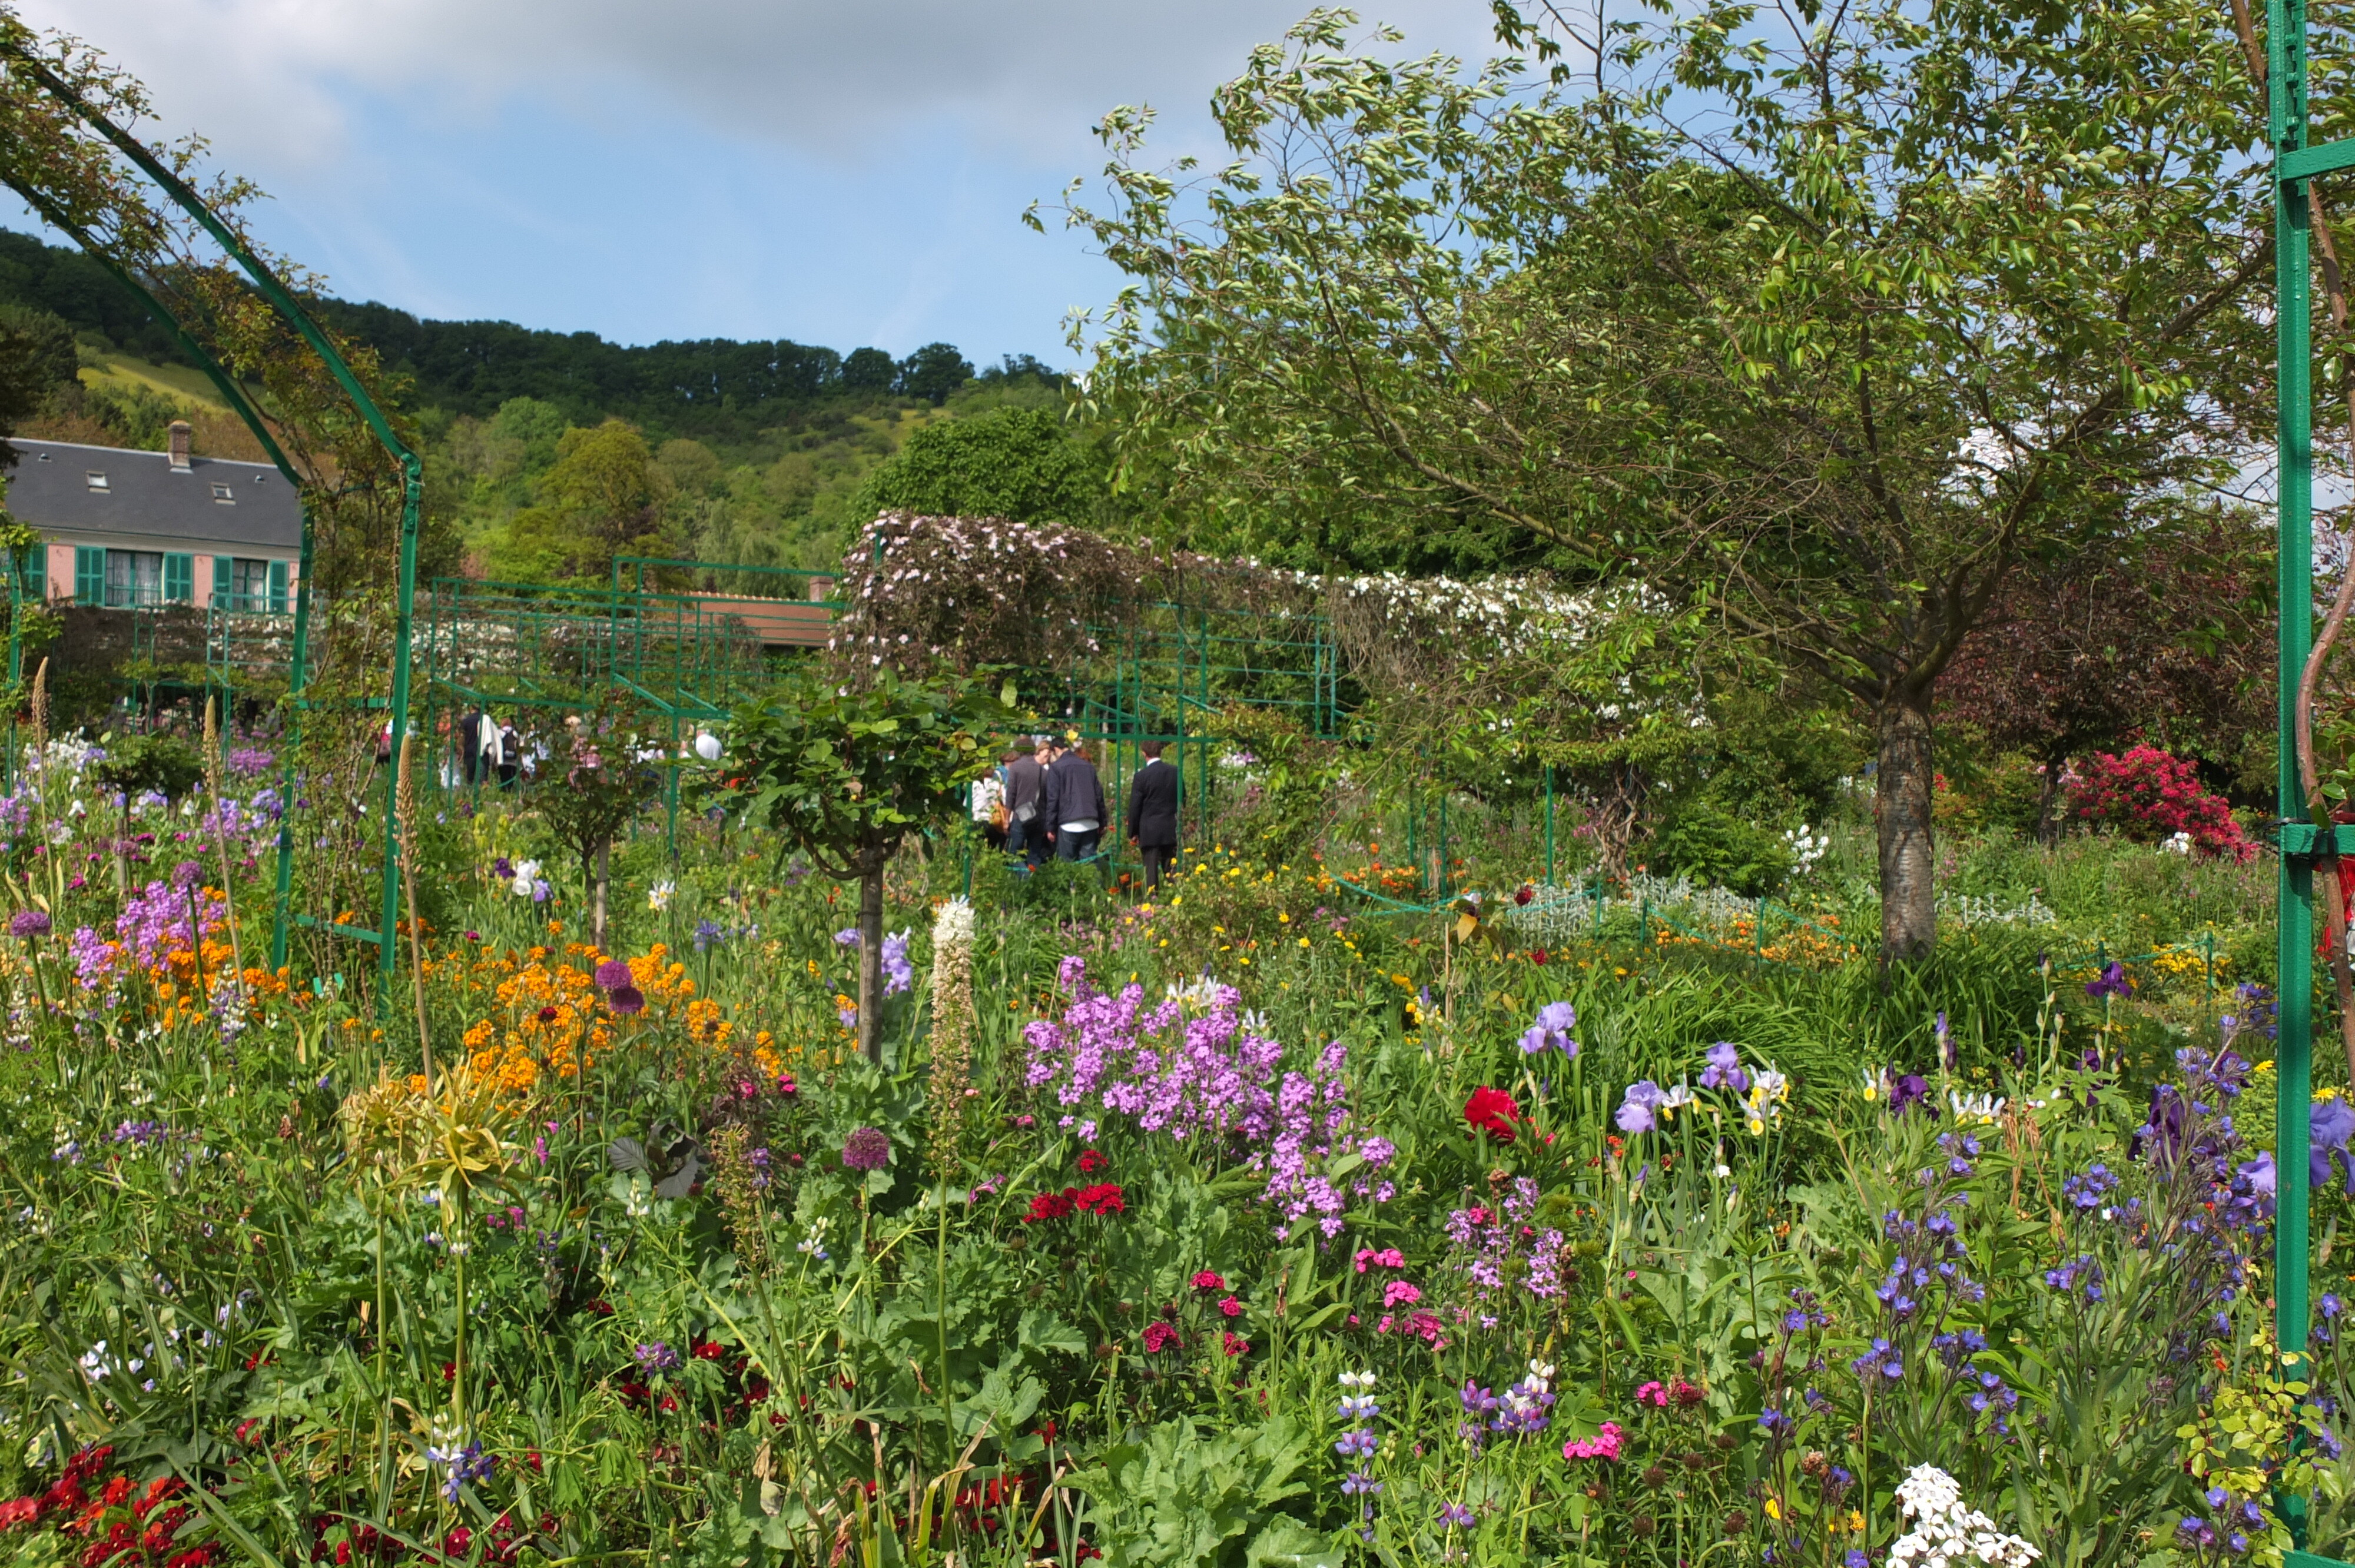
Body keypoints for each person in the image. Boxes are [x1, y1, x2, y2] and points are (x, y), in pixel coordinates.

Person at [1044, 736, 1107, 868]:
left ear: (1056, 749)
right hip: (1090, 821)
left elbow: (1053, 798)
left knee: (1066, 866)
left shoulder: (1056, 768)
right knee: (1090, 865)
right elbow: (1099, 796)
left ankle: (1070, 888)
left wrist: (1050, 826)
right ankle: (1095, 888)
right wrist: (1102, 822)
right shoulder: (1088, 767)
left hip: (1069, 822)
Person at [1126, 739, 1180, 892]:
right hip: (1171, 826)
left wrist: (1133, 832)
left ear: (1144, 754)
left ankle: (1153, 899)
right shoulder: (1175, 772)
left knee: (1151, 868)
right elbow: (1183, 798)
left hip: (1149, 830)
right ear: (1160, 752)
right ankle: (1180, 895)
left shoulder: (1141, 777)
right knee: (1171, 866)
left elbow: (1135, 807)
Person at [1004, 739, 1049, 869]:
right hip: (1039, 818)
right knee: (1034, 856)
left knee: (1013, 855)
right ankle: (1034, 883)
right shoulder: (1044, 771)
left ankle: (1025, 877)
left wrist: (1007, 820)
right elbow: (1047, 799)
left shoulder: (1015, 768)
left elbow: (1010, 795)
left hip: (1021, 817)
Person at [972, 755, 1007, 853]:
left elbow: (966, 805)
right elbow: (1006, 802)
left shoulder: (974, 785)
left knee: (976, 850)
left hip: (976, 821)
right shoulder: (998, 786)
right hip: (993, 822)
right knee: (991, 849)